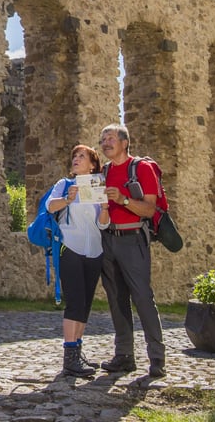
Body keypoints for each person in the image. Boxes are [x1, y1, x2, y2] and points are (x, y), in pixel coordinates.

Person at [99, 123, 166, 378]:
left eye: (111, 138)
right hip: (108, 239)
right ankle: (124, 355)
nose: (106, 143)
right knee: (116, 300)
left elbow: (149, 209)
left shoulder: (141, 168)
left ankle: (157, 358)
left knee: (142, 298)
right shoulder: (102, 172)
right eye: (103, 139)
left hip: (133, 238)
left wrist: (123, 200)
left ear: (125, 142)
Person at [45, 144, 111, 377]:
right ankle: (69, 357)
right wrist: (66, 199)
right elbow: (49, 206)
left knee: (85, 303)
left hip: (94, 250)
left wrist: (104, 208)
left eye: (81, 156)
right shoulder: (64, 185)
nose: (76, 159)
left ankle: (78, 351)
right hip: (69, 247)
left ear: (93, 165)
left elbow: (103, 224)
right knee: (74, 301)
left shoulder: (98, 187)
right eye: (74, 156)